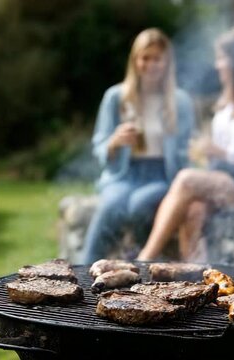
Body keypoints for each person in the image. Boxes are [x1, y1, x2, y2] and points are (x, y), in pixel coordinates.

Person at [137, 27, 234, 262]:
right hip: (222, 180)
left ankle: (144, 258)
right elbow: (217, 163)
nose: (217, 65)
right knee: (193, 210)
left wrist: (224, 153)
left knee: (186, 178)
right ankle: (196, 280)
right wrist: (207, 156)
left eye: (222, 58)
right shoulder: (224, 107)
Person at [81, 28, 195, 264]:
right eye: (145, 57)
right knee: (111, 206)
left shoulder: (180, 101)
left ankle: (142, 270)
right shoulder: (116, 97)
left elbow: (188, 147)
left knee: (140, 206)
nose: (151, 64)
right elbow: (99, 144)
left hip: (161, 173)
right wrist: (114, 141)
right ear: (135, 60)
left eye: (157, 58)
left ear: (166, 62)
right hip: (124, 173)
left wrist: (192, 155)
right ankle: (86, 267)